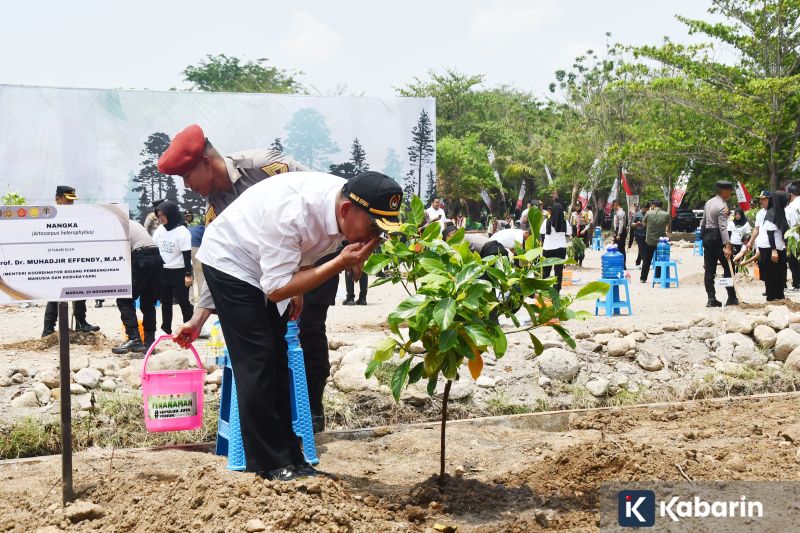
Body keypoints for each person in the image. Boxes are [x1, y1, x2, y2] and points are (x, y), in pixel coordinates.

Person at [194, 171, 401, 481]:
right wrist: (338, 264)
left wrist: (300, 286)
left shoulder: (343, 203)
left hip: (263, 264)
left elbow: (306, 249)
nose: (375, 239)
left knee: (278, 357)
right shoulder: (292, 212)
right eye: (373, 229)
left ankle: (291, 457)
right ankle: (268, 463)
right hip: (231, 260)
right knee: (258, 359)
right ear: (347, 211)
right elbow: (276, 288)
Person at [158, 124, 339, 432]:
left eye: (187, 176)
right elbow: (221, 268)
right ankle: (284, 415)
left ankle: (313, 408)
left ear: (205, 162)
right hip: (274, 272)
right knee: (273, 337)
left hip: (318, 255)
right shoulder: (215, 208)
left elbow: (317, 201)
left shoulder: (265, 166)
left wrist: (299, 276)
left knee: (308, 328)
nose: (187, 187)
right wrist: (198, 320)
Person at [41, 186, 100, 337]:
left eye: (72, 201)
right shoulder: (48, 216)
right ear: (58, 199)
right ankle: (48, 328)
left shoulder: (76, 216)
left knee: (80, 289)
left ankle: (81, 323)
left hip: (74, 259)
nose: (70, 204)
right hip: (55, 261)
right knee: (55, 294)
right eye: (67, 200)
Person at [112, 219, 163, 354]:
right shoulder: (132, 223)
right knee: (148, 303)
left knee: (124, 299)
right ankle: (149, 343)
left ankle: (134, 339)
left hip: (142, 256)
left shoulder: (115, 224)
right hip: (156, 256)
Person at [153, 200, 194, 334]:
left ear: (171, 214)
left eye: (163, 215)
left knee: (183, 301)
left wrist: (188, 274)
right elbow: (155, 248)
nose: (161, 218)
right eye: (158, 215)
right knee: (165, 302)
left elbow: (187, 255)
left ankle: (190, 326)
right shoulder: (159, 230)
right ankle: (166, 329)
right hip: (164, 271)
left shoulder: (182, 231)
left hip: (180, 271)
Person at [700, 181, 738, 307]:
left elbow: (703, 222)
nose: (731, 194)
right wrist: (727, 245)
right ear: (725, 191)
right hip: (718, 238)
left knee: (709, 270)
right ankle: (731, 297)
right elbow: (723, 228)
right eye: (730, 191)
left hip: (707, 237)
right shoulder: (722, 206)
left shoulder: (709, 202)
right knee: (728, 267)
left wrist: (703, 239)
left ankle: (711, 299)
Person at [757, 192, 789, 301]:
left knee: (780, 273)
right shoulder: (772, 213)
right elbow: (770, 233)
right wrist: (774, 250)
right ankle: (771, 298)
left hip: (779, 247)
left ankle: (779, 296)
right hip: (770, 248)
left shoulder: (779, 212)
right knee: (771, 274)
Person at [744, 190, 772, 296]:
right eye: (760, 199)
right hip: (761, 245)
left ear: (769, 199)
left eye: (763, 199)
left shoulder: (775, 211)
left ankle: (774, 290)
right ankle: (768, 288)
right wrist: (750, 242)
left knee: (772, 268)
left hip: (772, 245)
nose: (761, 201)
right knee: (763, 267)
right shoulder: (760, 213)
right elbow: (756, 229)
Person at [540, 203, 571, 292]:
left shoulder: (547, 221)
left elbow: (541, 231)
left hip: (548, 248)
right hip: (560, 249)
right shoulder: (565, 222)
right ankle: (556, 290)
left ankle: (545, 289)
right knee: (558, 270)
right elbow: (569, 233)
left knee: (546, 270)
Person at [639, 200, 671, 283]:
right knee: (660, 259)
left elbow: (644, 223)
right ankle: (658, 277)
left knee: (647, 260)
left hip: (649, 240)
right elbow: (667, 224)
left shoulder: (649, 213)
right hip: (661, 242)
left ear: (653, 205)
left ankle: (643, 278)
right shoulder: (666, 214)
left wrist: (649, 226)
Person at [187, 213, 206, 304]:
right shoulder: (203, 229)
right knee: (200, 275)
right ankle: (202, 299)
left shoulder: (187, 229)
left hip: (186, 249)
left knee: (189, 275)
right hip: (197, 249)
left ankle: (190, 299)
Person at [785, 183, 800, 291]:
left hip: (795, 238)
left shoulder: (790, 207)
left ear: (790, 194)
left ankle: (797, 284)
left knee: (794, 262)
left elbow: (788, 224)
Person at [727, 208, 751, 274]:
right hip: (733, 243)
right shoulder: (731, 223)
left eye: (739, 214)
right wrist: (728, 244)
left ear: (742, 215)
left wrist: (748, 245)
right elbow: (728, 234)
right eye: (736, 214)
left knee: (740, 259)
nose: (737, 216)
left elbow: (748, 234)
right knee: (732, 259)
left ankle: (739, 273)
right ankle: (732, 273)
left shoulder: (746, 223)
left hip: (742, 245)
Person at [611, 199, 628, 268]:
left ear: (616, 204)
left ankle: (622, 265)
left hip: (620, 231)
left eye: (613, 205)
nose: (612, 207)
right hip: (618, 231)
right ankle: (618, 264)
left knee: (621, 248)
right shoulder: (617, 212)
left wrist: (619, 234)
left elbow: (621, 224)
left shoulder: (620, 212)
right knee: (616, 247)